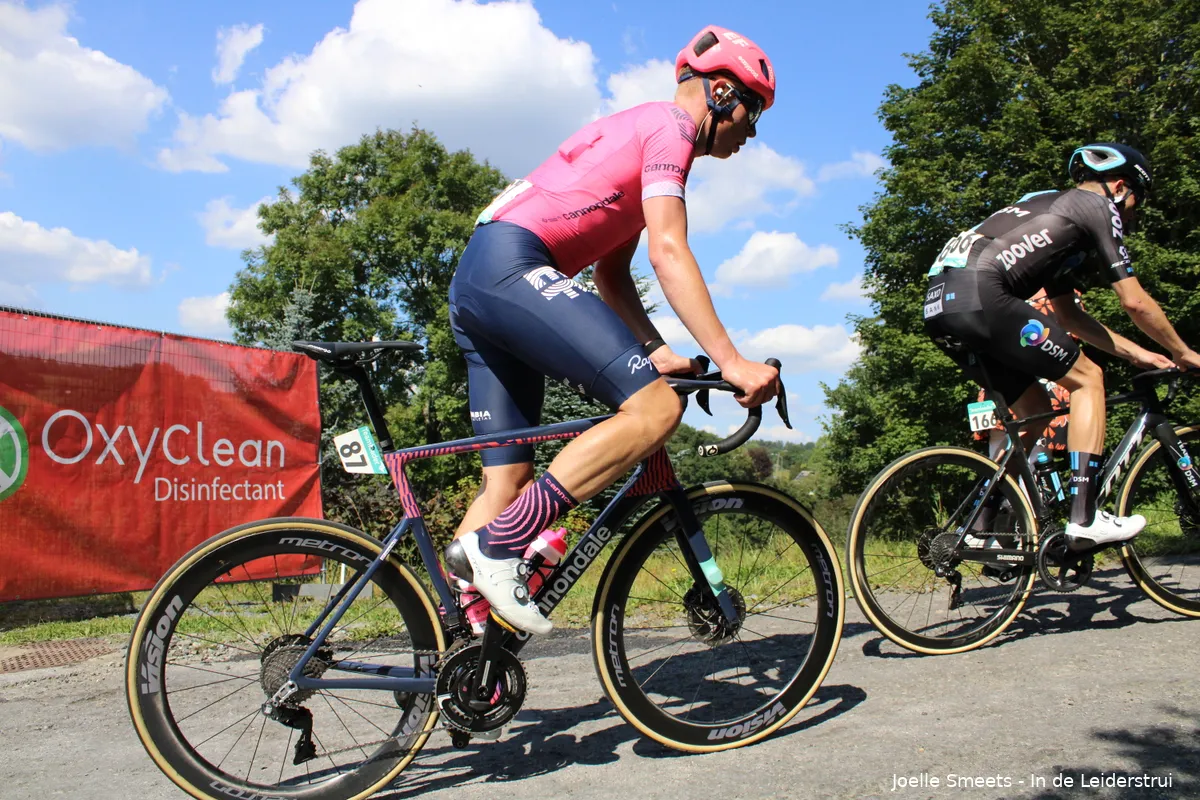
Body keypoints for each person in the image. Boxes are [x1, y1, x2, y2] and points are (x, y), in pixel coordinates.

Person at [444, 26, 782, 634]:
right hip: (513, 265)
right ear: (724, 92)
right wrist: (731, 361)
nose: (752, 131)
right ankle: (498, 551)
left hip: (480, 278)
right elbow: (669, 251)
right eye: (753, 112)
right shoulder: (671, 131)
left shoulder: (641, 131)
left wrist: (659, 351)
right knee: (654, 414)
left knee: (508, 479)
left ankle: (460, 651)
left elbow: (612, 273)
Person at [923, 143, 1200, 548]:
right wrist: (1184, 352)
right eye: (1135, 203)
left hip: (941, 305)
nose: (1131, 214)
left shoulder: (1052, 215)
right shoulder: (1095, 206)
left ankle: (980, 528)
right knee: (1088, 380)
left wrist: (1141, 354)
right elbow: (1135, 301)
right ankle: (1084, 519)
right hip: (982, 296)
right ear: (1120, 187)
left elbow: (1069, 316)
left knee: (1035, 412)